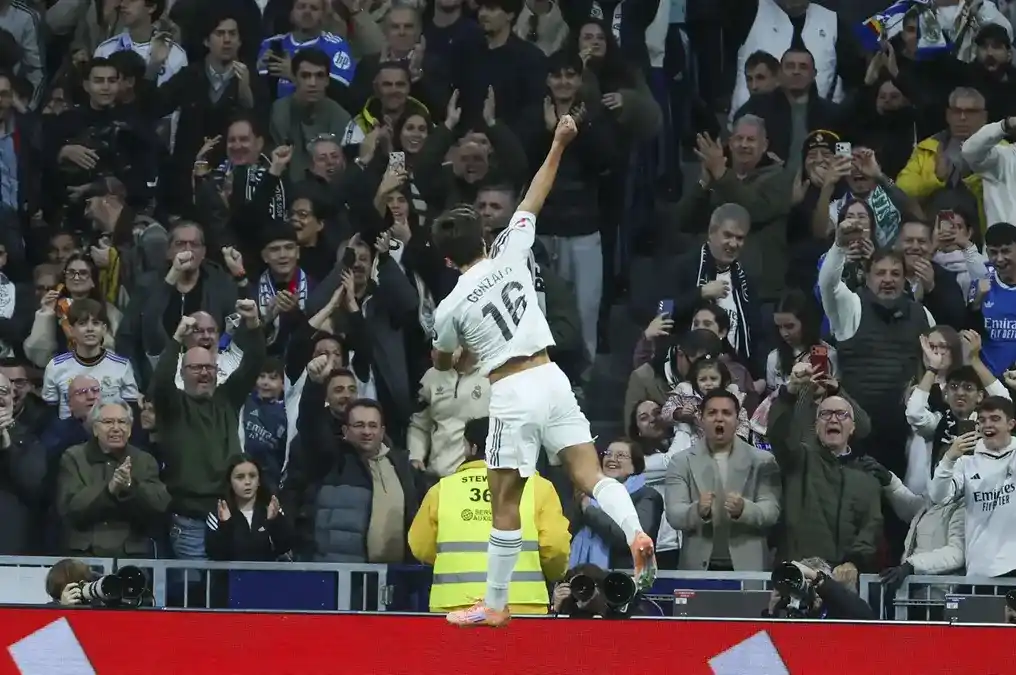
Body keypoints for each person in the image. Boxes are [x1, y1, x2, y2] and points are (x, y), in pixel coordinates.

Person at [432, 115, 656, 628]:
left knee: (504, 499)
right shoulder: (510, 252)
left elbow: (444, 362)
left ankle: (493, 605)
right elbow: (535, 194)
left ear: (447, 260)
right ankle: (633, 531)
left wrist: (460, 354)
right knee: (590, 474)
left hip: (511, 390)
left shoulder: (449, 307)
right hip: (552, 376)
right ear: (484, 239)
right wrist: (557, 141)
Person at [408, 416, 569, 615]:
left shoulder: (442, 489)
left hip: (454, 605)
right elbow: (555, 547)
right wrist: (552, 574)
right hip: (522, 606)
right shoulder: (539, 487)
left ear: (472, 448)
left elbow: (420, 545)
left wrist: (453, 562)